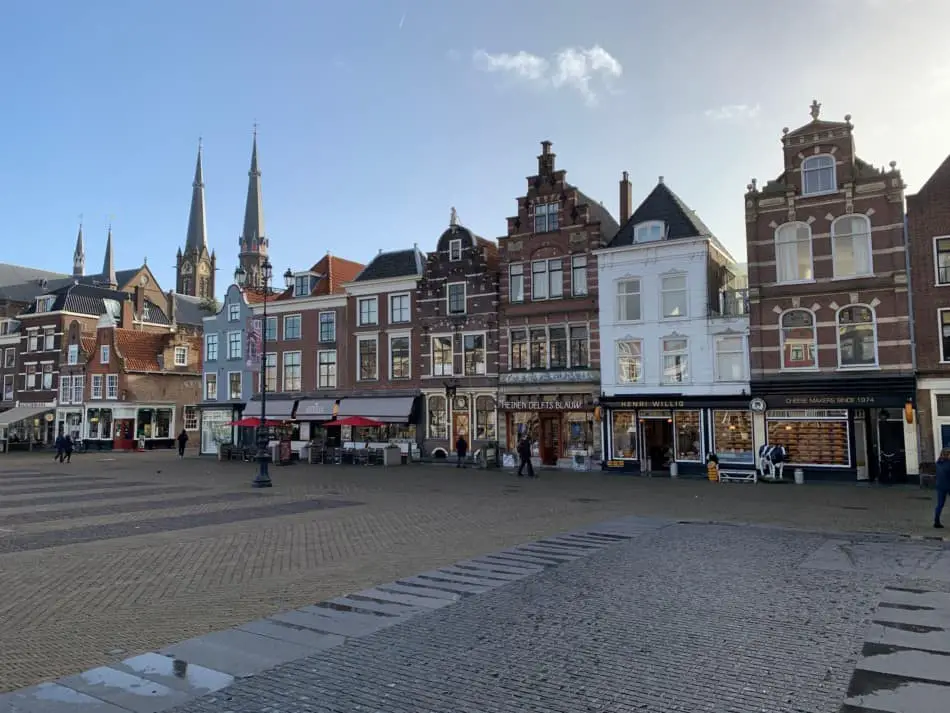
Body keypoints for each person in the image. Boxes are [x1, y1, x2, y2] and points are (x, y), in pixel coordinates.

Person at [935, 449, 950, 529]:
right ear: (947, 455)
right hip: (948, 486)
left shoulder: (938, 463)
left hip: (940, 486)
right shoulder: (948, 464)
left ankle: (936, 521)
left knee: (940, 505)